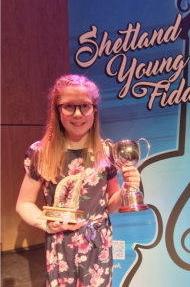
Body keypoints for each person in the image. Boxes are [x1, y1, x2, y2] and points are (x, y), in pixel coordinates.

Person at [16, 75, 141, 286]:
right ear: (57, 111)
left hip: (97, 246)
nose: (77, 114)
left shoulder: (107, 152)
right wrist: (44, 224)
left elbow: (110, 206)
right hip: (60, 245)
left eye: (84, 106)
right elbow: (23, 204)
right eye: (69, 106)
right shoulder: (40, 153)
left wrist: (127, 188)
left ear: (94, 110)